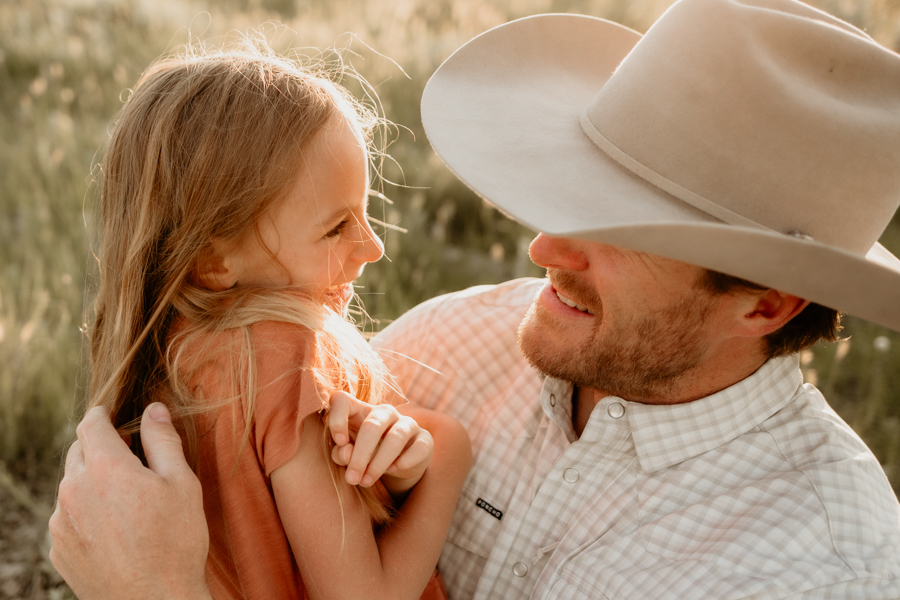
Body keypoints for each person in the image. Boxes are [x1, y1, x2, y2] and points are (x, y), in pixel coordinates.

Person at [50, 0, 900, 598]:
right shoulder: (455, 342)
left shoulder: (815, 569)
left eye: (624, 233)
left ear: (766, 305)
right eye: (573, 200)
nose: (543, 252)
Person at [51, 38, 472, 600]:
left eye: (366, 214)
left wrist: (393, 473)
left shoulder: (169, 361)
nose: (372, 247)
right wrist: (449, 451)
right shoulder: (283, 351)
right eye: (335, 226)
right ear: (212, 261)